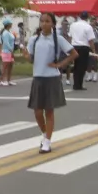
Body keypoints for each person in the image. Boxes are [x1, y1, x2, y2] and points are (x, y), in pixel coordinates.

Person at [26, 11, 76, 154]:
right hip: (38, 78)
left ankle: (47, 141)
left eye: (47, 21)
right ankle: (44, 133)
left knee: (49, 111)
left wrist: (60, 65)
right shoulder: (34, 39)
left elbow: (73, 54)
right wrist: (26, 55)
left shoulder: (58, 39)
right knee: (37, 112)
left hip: (52, 78)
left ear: (53, 24)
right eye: (42, 21)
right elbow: (31, 59)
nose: (44, 24)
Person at [68, 11, 96, 91]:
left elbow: (70, 37)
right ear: (87, 17)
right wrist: (93, 50)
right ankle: (78, 84)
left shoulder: (73, 25)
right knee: (82, 66)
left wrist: (69, 47)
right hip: (84, 47)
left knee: (76, 66)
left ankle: (76, 83)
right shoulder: (88, 27)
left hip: (74, 46)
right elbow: (90, 40)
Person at [0, 19, 19, 87]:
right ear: (8, 24)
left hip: (10, 51)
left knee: (10, 66)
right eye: (11, 23)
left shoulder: (9, 32)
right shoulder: (5, 33)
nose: (11, 24)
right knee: (5, 66)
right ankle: (1, 80)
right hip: (6, 51)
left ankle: (9, 80)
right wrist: (11, 50)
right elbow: (6, 43)